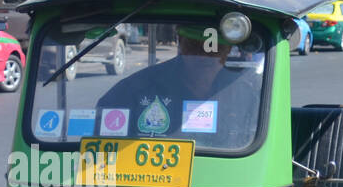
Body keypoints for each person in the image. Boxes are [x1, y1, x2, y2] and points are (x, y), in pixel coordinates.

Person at [93, 23, 264, 150]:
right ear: (180, 43)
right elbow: (101, 155)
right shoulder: (134, 90)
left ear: (227, 49)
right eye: (194, 47)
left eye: (214, 48)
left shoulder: (249, 94)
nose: (204, 55)